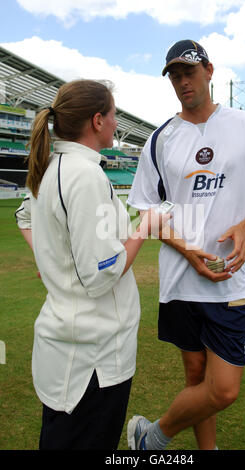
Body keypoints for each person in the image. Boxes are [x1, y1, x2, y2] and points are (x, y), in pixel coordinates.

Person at [126, 39, 245, 450]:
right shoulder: (161, 139)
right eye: (175, 76)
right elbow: (146, 212)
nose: (183, 82)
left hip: (231, 279)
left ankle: (152, 436)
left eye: (190, 73)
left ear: (209, 71)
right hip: (182, 280)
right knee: (196, 378)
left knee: (223, 391)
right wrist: (186, 249)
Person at [15, 79, 169, 450]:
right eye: (114, 114)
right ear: (98, 120)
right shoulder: (83, 175)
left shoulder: (54, 166)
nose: (117, 122)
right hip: (92, 360)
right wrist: (145, 226)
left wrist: (54, 262)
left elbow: (25, 217)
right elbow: (103, 274)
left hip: (73, 352)